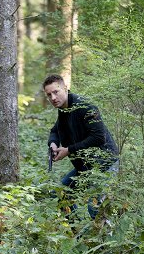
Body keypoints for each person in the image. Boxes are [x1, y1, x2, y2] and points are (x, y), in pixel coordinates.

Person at [44, 74, 119, 219]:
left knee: (95, 206)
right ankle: (77, 237)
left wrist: (69, 150)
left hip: (106, 163)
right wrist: (53, 144)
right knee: (63, 195)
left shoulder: (85, 106)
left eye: (56, 92)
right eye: (49, 95)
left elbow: (99, 137)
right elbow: (55, 130)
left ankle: (106, 239)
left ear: (65, 88)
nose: (53, 98)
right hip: (85, 167)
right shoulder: (64, 110)